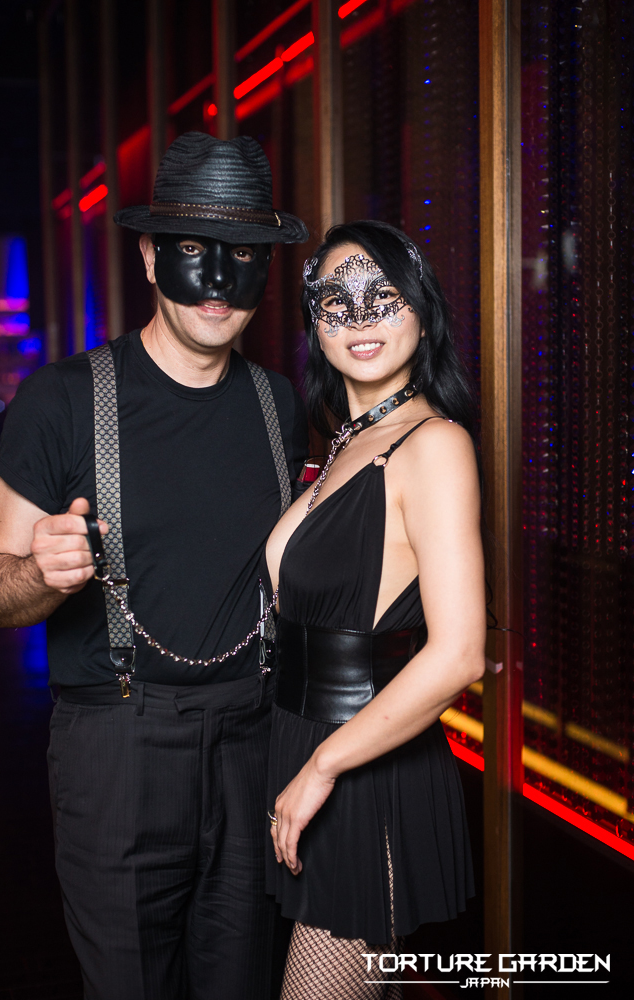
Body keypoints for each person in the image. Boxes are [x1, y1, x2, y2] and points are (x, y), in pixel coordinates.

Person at [0, 132, 309, 1000]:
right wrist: (38, 575)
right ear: (152, 256)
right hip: (119, 748)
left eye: (245, 254)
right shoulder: (63, 398)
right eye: (194, 248)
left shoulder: (279, 404)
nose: (219, 281)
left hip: (252, 741)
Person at [262, 220, 485, 999]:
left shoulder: (433, 444)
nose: (359, 319)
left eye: (383, 297)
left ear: (422, 311)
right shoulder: (344, 442)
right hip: (304, 747)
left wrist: (323, 767)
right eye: (336, 300)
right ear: (314, 321)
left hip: (361, 774)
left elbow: (458, 654)